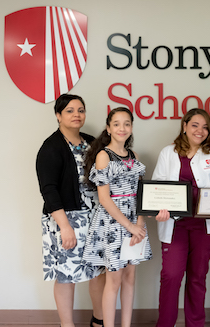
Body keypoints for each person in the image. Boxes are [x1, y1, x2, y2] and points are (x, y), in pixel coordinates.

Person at [152, 108, 210, 327]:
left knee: (197, 278)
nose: (200, 130)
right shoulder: (168, 153)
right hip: (175, 225)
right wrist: (158, 209)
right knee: (171, 276)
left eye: (205, 126)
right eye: (195, 125)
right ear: (185, 126)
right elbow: (158, 187)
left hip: (204, 227)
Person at [36, 94, 106, 327]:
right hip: (66, 220)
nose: (77, 114)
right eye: (70, 110)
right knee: (66, 275)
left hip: (95, 218)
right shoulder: (51, 147)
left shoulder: (92, 143)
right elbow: (49, 190)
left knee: (99, 271)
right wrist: (65, 227)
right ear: (58, 115)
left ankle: (99, 320)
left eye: (81, 110)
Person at [82, 107, 152, 327]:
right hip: (114, 223)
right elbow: (104, 199)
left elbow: (142, 194)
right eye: (117, 124)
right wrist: (130, 227)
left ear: (131, 127)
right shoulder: (104, 156)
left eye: (127, 123)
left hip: (135, 220)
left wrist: (139, 224)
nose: (122, 128)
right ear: (108, 128)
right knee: (114, 280)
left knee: (130, 278)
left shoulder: (135, 156)